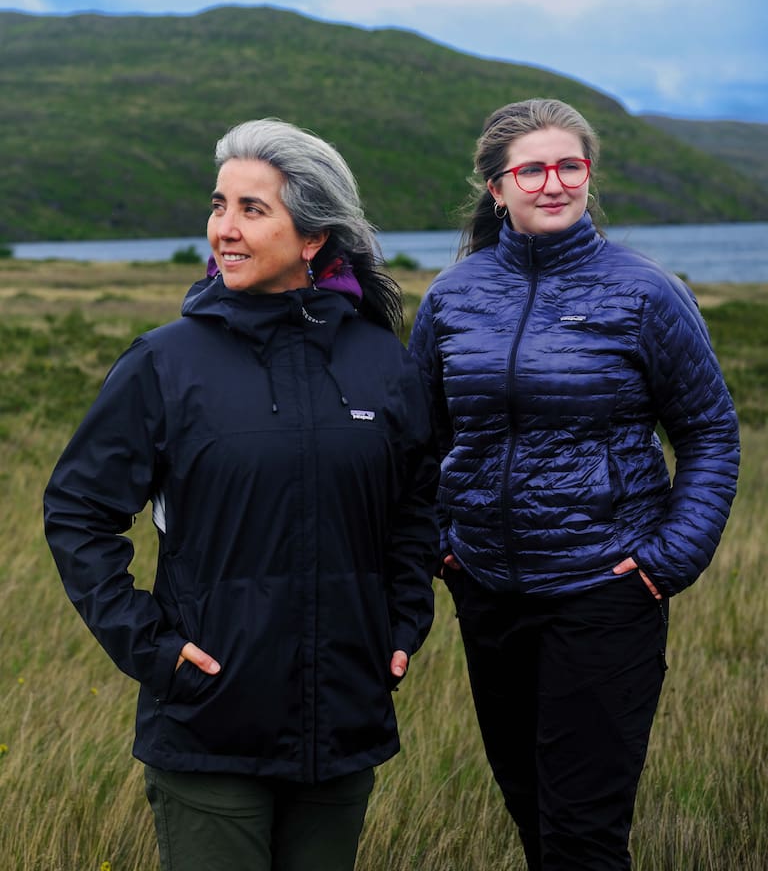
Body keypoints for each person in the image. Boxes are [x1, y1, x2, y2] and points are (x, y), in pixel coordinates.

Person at [44, 118, 440, 871]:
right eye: (219, 205)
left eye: (252, 210)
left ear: (315, 237)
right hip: (209, 726)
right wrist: (155, 650)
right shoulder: (165, 363)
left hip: (344, 726)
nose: (224, 228)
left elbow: (416, 503)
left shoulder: (381, 362)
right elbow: (77, 512)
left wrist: (402, 620)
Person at [408, 98, 740, 870]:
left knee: (583, 833)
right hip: (487, 588)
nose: (552, 183)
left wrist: (667, 560)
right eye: (532, 169)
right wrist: (441, 545)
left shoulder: (646, 293)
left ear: (588, 175)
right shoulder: (454, 298)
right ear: (498, 186)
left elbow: (709, 434)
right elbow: (419, 440)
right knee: (529, 809)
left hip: (606, 589)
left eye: (570, 166)